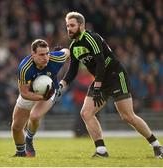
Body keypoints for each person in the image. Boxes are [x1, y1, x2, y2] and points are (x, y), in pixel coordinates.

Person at [55, 11, 163, 158]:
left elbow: (101, 64)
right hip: (101, 79)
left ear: (81, 25)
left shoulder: (91, 38)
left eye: (72, 25)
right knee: (86, 113)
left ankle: (156, 145)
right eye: (67, 26)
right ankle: (101, 150)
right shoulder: (74, 46)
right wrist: (61, 85)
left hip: (115, 76)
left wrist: (97, 87)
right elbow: (72, 71)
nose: (69, 29)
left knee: (127, 116)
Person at [11, 39, 70, 157]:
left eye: (47, 53)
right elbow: (24, 93)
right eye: (41, 54)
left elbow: (66, 51)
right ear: (33, 54)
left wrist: (63, 52)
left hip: (50, 91)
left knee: (35, 116)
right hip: (30, 93)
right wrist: (41, 97)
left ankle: (29, 139)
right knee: (16, 127)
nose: (46, 57)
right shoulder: (24, 67)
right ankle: (21, 153)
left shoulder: (56, 58)